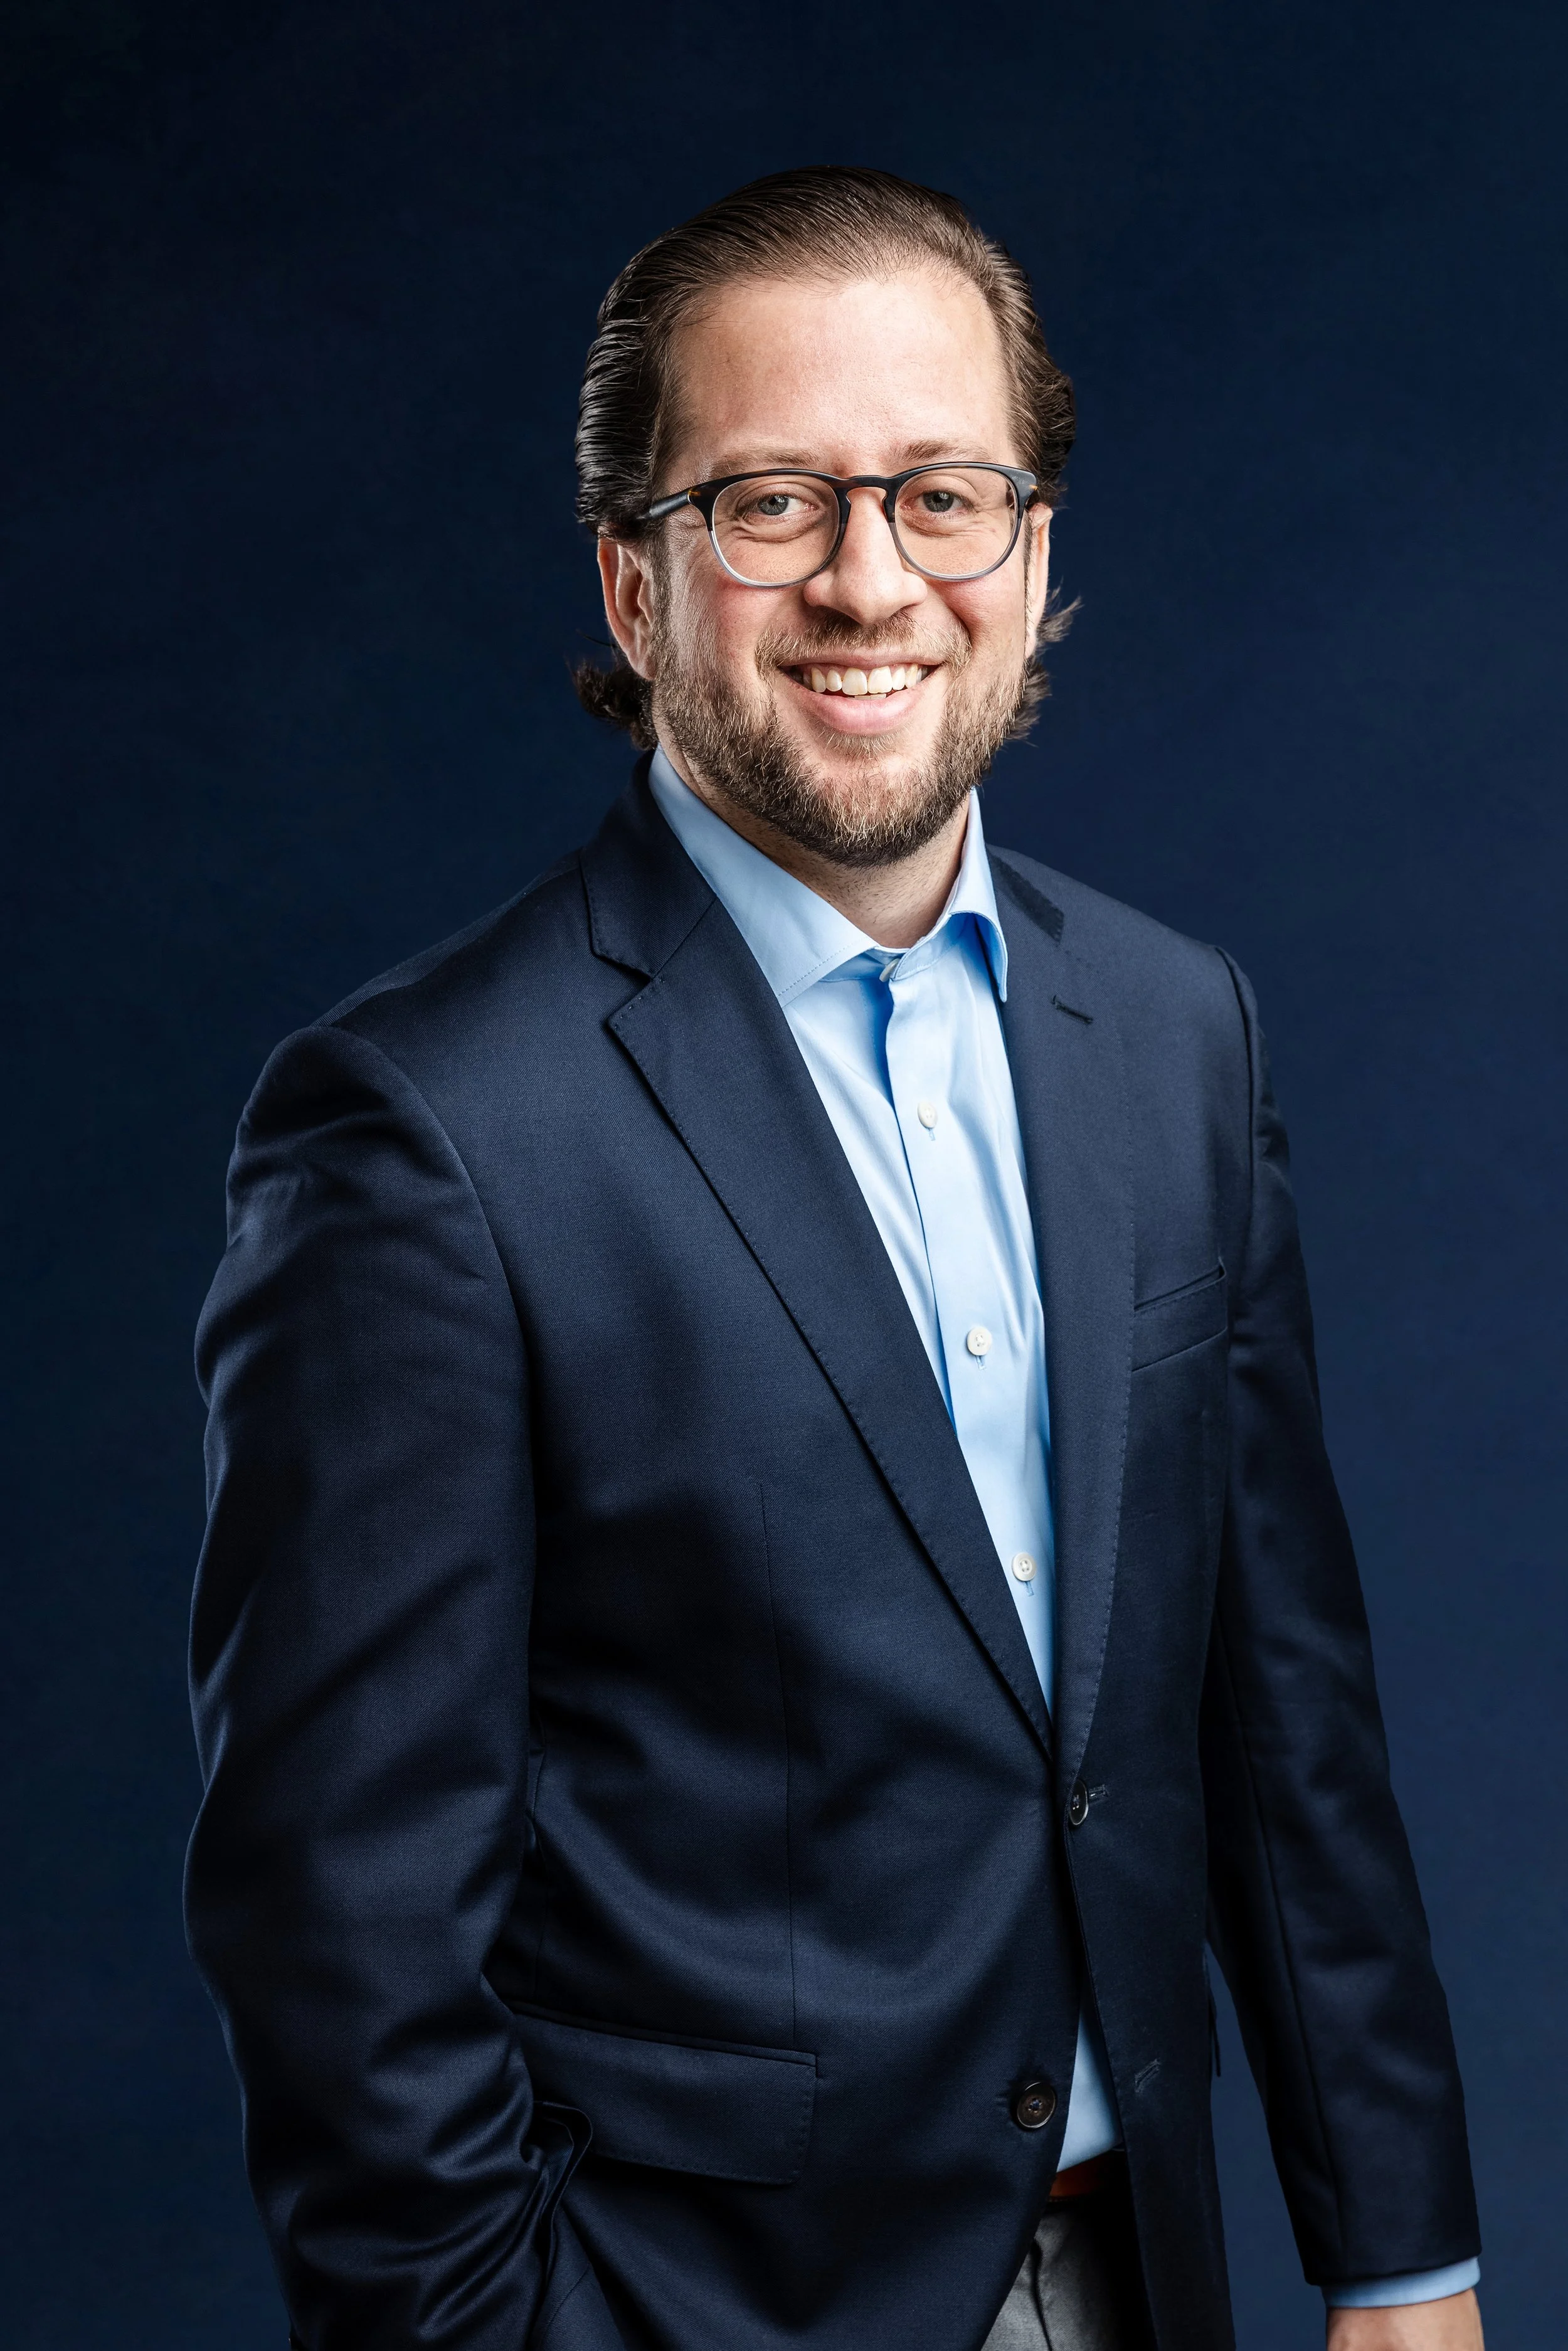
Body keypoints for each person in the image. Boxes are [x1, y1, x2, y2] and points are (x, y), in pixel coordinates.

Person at [186, 167, 1483, 2351]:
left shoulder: (1176, 1032)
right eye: (769, 501)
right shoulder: (419, 1126)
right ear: (633, 578)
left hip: (1137, 2274)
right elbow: (336, 1914)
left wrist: (1400, 2251)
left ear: (1033, 548)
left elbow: (1279, 1717)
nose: (870, 580)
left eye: (943, 495)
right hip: (698, 2308)